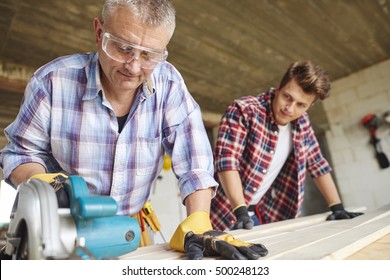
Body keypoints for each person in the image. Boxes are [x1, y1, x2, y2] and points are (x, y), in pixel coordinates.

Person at [0, 0, 267, 260]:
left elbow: (195, 164)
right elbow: (20, 153)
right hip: (58, 229)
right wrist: (47, 186)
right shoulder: (52, 81)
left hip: (131, 231)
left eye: (149, 55)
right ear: (98, 33)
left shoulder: (169, 84)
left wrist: (198, 221)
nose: (133, 66)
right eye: (123, 48)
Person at [210, 61, 363, 232]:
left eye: (300, 105)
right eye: (287, 97)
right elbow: (227, 161)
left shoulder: (302, 123)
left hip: (261, 214)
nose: (289, 109)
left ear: (310, 106)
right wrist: (240, 211)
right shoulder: (244, 110)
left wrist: (337, 207)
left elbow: (317, 165)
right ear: (278, 87)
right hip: (223, 213)